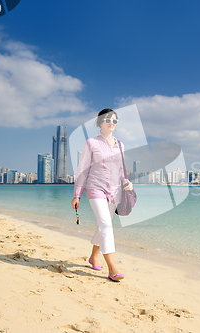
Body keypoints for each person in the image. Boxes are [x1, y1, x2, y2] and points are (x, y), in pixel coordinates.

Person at [71, 108, 133, 282]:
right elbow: (83, 169)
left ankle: (93, 257)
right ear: (100, 122)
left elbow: (121, 169)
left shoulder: (121, 145)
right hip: (95, 188)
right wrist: (77, 195)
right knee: (106, 224)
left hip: (115, 191)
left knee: (102, 226)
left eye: (114, 121)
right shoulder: (91, 143)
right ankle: (112, 268)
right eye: (108, 120)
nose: (111, 123)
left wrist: (127, 182)